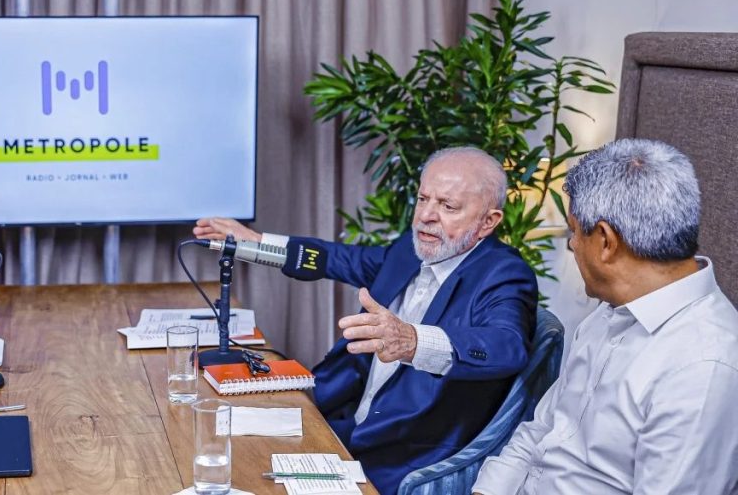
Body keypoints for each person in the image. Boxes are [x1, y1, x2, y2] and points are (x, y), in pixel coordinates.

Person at [195, 146, 538, 493]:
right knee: (218, 448)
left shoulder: (504, 273)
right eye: (423, 199)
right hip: (341, 418)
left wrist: (413, 341)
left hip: (403, 456)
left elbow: (506, 346)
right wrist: (259, 243)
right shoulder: (410, 248)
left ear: (488, 221)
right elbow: (341, 259)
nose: (426, 216)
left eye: (448, 206)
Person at [471, 138, 738, 495]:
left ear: (606, 241)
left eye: (574, 231)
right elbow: (540, 429)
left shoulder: (704, 367)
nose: (571, 244)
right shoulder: (607, 313)